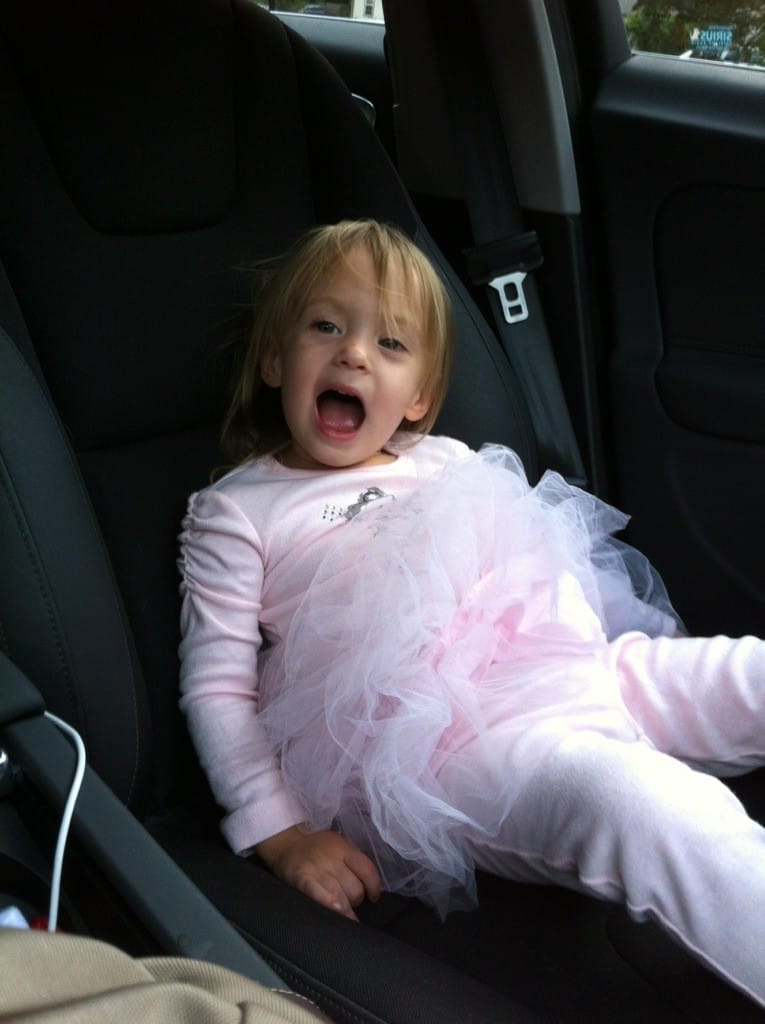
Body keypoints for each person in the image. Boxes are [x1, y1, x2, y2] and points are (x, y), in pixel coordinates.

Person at [178, 220, 765, 1005]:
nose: (354, 355)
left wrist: (604, 659)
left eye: (390, 343)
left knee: (751, 673)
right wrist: (279, 833)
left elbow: (541, 569)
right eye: (325, 327)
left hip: (572, 668)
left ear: (419, 395)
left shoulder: (448, 460)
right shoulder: (237, 511)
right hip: (432, 745)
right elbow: (217, 687)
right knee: (635, 800)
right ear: (274, 360)